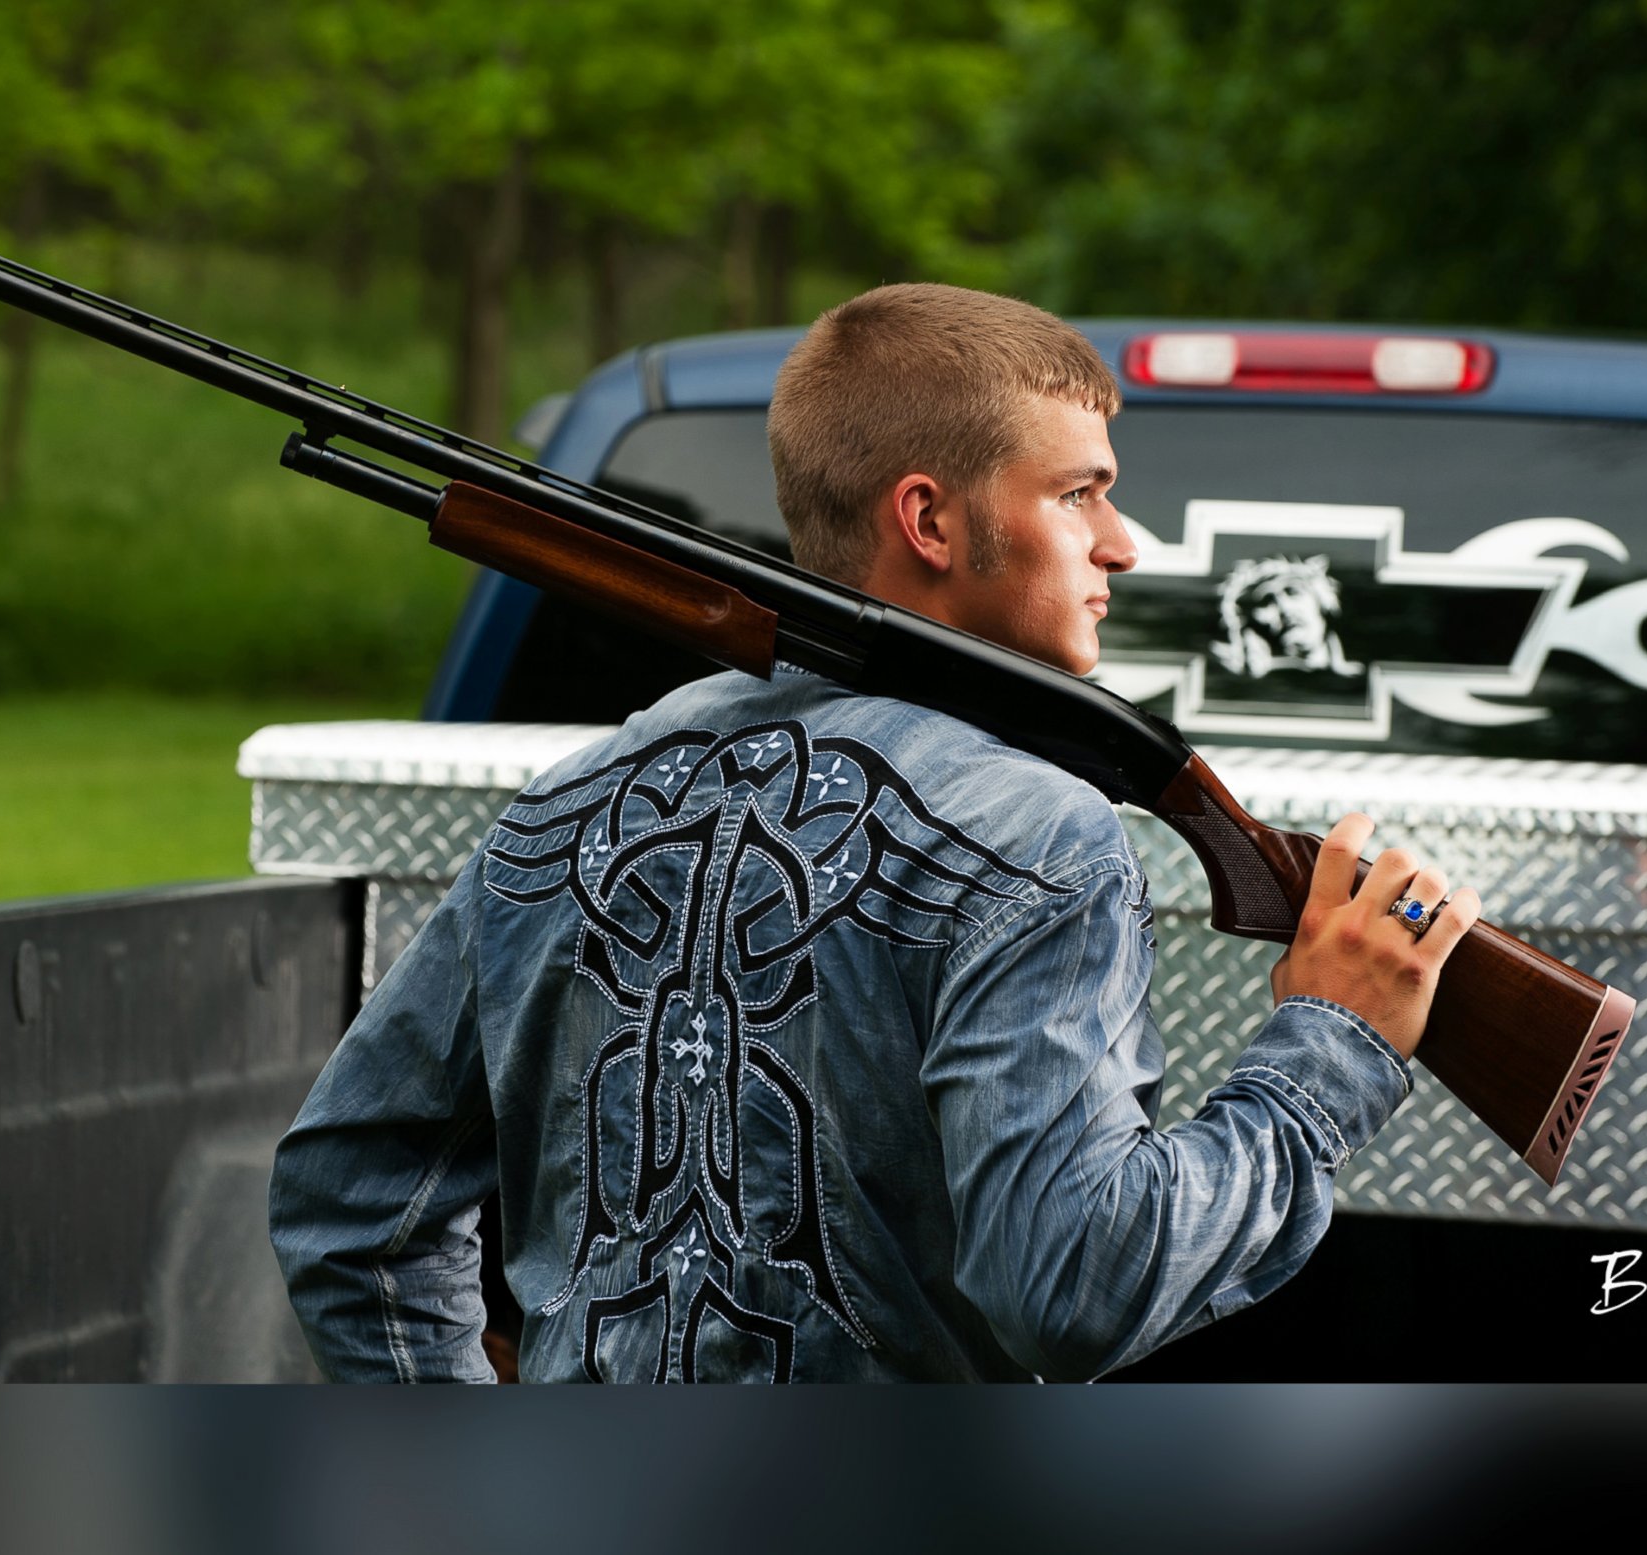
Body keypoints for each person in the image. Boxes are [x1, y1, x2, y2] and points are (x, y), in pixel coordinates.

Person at [268, 283, 1480, 1382]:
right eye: (1079, 494)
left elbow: (352, 1201)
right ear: (931, 521)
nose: (1124, 542)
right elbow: (1074, 1292)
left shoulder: (571, 798)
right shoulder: (1043, 836)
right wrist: (1331, 1047)